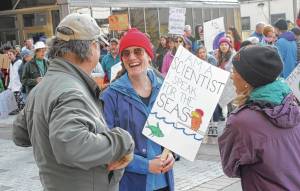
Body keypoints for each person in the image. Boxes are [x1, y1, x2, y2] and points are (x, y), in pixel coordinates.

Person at [13, 13, 134, 191]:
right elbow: (70, 145)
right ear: (92, 47)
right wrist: (122, 141)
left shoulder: (43, 87)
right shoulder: (71, 91)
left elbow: (20, 133)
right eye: (99, 45)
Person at [101, 28, 175, 191]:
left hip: (163, 182)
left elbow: (174, 131)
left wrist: (171, 154)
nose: (132, 57)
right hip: (130, 184)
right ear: (122, 59)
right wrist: (146, 165)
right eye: (126, 53)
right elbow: (106, 147)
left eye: (138, 51)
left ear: (149, 55)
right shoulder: (110, 96)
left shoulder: (165, 88)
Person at [219, 45, 300, 190]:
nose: (231, 75)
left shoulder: (241, 121)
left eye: (235, 71)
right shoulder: (293, 105)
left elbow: (230, 167)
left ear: (247, 80)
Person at [7, 48, 24, 115]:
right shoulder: (11, 63)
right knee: (18, 102)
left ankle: (23, 115)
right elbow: (11, 76)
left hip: (19, 86)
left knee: (21, 102)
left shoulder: (19, 62)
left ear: (14, 54)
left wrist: (22, 86)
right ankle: (20, 114)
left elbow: (22, 75)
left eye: (10, 54)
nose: (9, 56)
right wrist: (9, 86)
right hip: (14, 87)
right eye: (8, 55)